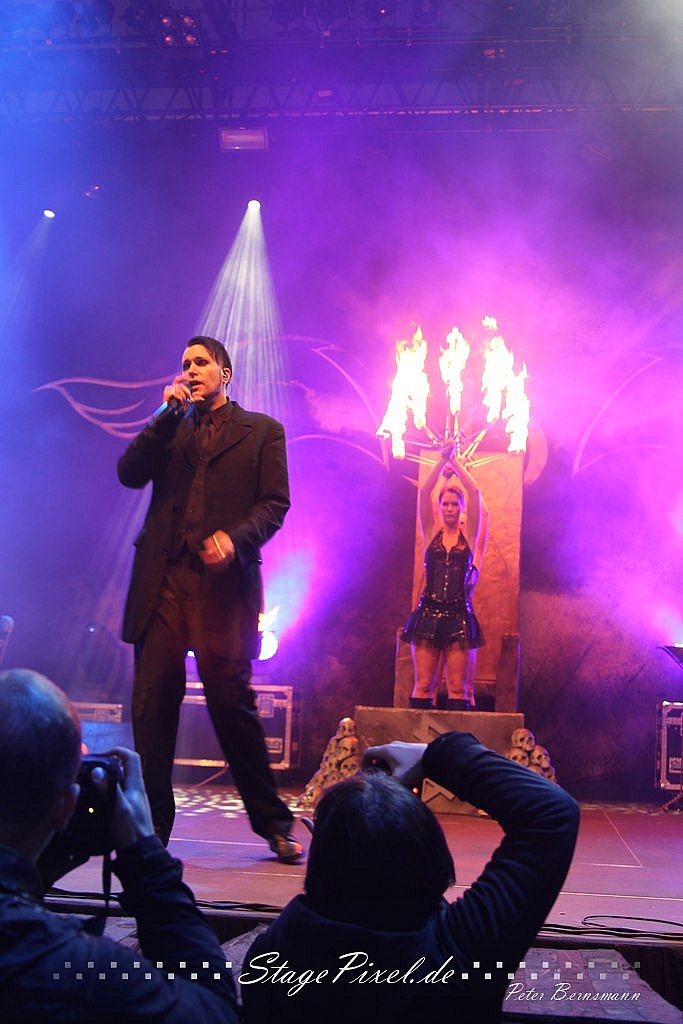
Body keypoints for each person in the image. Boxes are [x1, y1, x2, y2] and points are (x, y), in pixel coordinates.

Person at [240, 731, 579, 1024]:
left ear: (321, 861)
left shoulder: (269, 960)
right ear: (432, 858)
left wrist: (339, 841)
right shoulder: (458, 953)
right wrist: (434, 755)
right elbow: (551, 812)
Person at [117, 335, 301, 863]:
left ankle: (273, 824)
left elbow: (274, 504)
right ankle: (153, 830)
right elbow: (129, 473)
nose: (191, 370)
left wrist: (235, 539)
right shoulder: (170, 427)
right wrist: (163, 415)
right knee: (152, 706)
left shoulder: (262, 431)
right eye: (185, 364)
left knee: (232, 708)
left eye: (201, 362)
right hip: (164, 586)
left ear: (225, 372)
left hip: (222, 591)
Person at [0, 668, 238, 1023]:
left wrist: (34, 879)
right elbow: (214, 1010)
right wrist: (147, 858)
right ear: (66, 806)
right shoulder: (78, 969)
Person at [401, 448, 487, 710]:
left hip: (459, 615)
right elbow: (424, 493)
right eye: (445, 504)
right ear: (439, 508)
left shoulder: (468, 536)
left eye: (455, 504)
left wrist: (455, 462)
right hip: (428, 612)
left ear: (462, 508)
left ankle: (455, 738)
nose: (450, 508)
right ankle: (420, 738)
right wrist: (441, 460)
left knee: (457, 688)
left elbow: (474, 492)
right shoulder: (431, 534)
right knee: (423, 685)